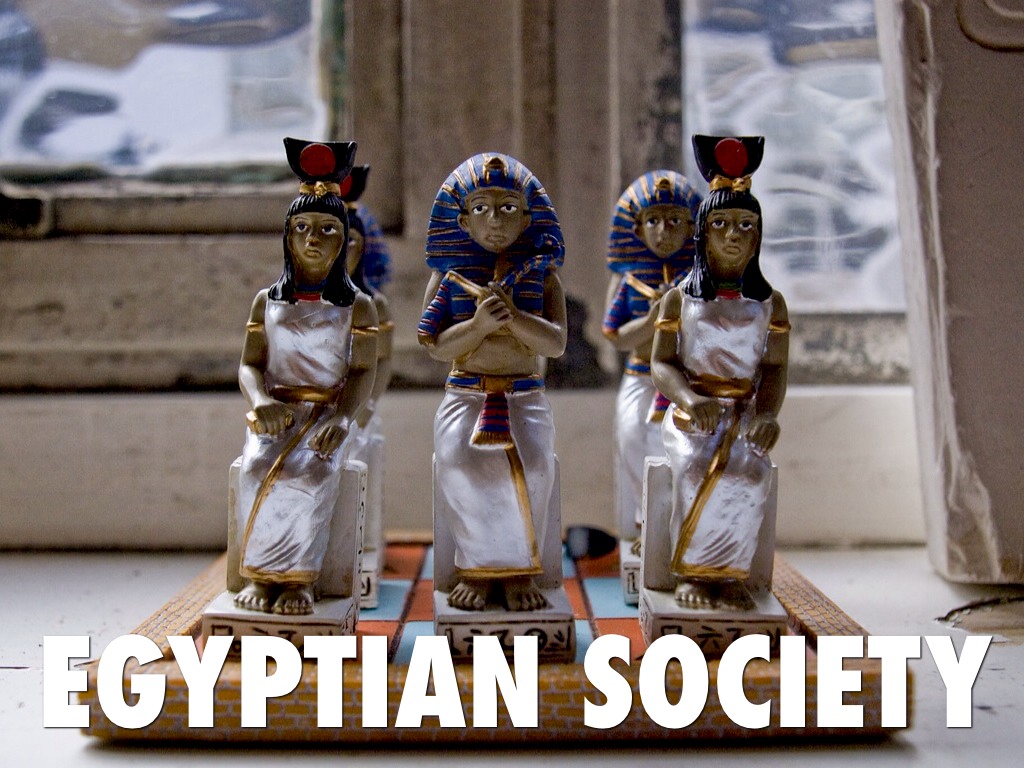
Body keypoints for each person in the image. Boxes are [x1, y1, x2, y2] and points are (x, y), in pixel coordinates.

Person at [233, 139, 378, 616]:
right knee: (256, 468)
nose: (313, 239)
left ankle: (299, 579)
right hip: (276, 411)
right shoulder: (267, 302)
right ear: (287, 238)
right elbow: (249, 365)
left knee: (312, 473)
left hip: (325, 413)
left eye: (327, 230)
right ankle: (260, 576)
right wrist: (260, 401)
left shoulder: (358, 306)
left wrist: (344, 418)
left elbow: (362, 370)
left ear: (345, 241)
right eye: (302, 228)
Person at [418, 152, 566, 612]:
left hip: (524, 396)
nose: (495, 220)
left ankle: (520, 571)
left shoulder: (542, 278)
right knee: (461, 465)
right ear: (463, 221)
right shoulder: (449, 278)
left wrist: (516, 318)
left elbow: (556, 343)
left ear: (527, 219)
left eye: (507, 208)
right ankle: (477, 570)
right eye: (481, 208)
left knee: (535, 466)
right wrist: (479, 326)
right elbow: (434, 344)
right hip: (467, 395)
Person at [650, 135, 789, 611]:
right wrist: (690, 401)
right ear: (703, 235)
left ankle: (729, 575)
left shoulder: (770, 304)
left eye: (745, 226)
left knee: (751, 474)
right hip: (694, 414)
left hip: (744, 413)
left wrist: (766, 414)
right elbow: (661, 363)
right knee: (695, 470)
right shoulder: (679, 300)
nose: (733, 236)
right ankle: (694, 573)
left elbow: (774, 367)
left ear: (758, 236)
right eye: (722, 225)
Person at [602, 171, 701, 548]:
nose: (663, 231)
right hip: (641, 375)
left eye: (674, 221)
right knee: (631, 436)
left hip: (683, 380)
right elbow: (614, 335)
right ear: (637, 229)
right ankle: (646, 522)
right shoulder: (630, 279)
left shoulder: (697, 280)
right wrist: (651, 320)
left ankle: (679, 526)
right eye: (653, 221)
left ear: (691, 228)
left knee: (682, 449)